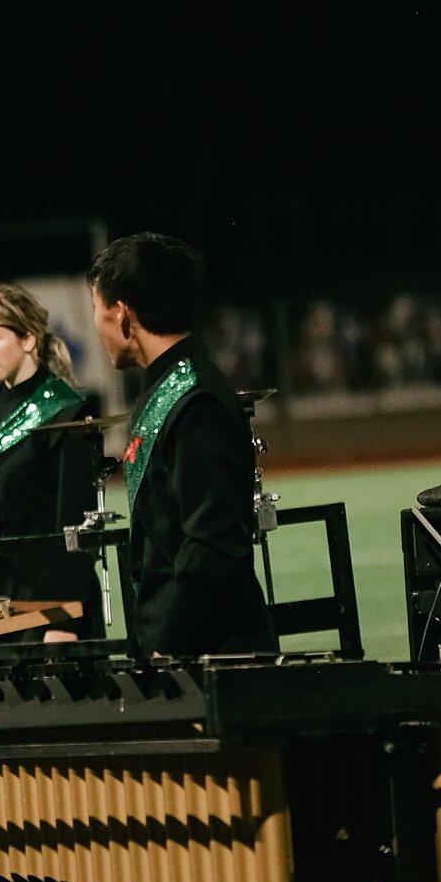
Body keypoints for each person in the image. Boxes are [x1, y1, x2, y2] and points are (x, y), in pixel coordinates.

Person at [88, 233, 277, 657]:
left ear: (122, 315)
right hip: (178, 642)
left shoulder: (196, 400)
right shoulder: (164, 387)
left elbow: (211, 540)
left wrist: (168, 644)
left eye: (96, 312)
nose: (96, 327)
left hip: (212, 653)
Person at [0, 284, 104, 641]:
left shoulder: (68, 412)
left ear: (28, 339)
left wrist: (63, 622)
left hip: (47, 607)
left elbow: (76, 524)